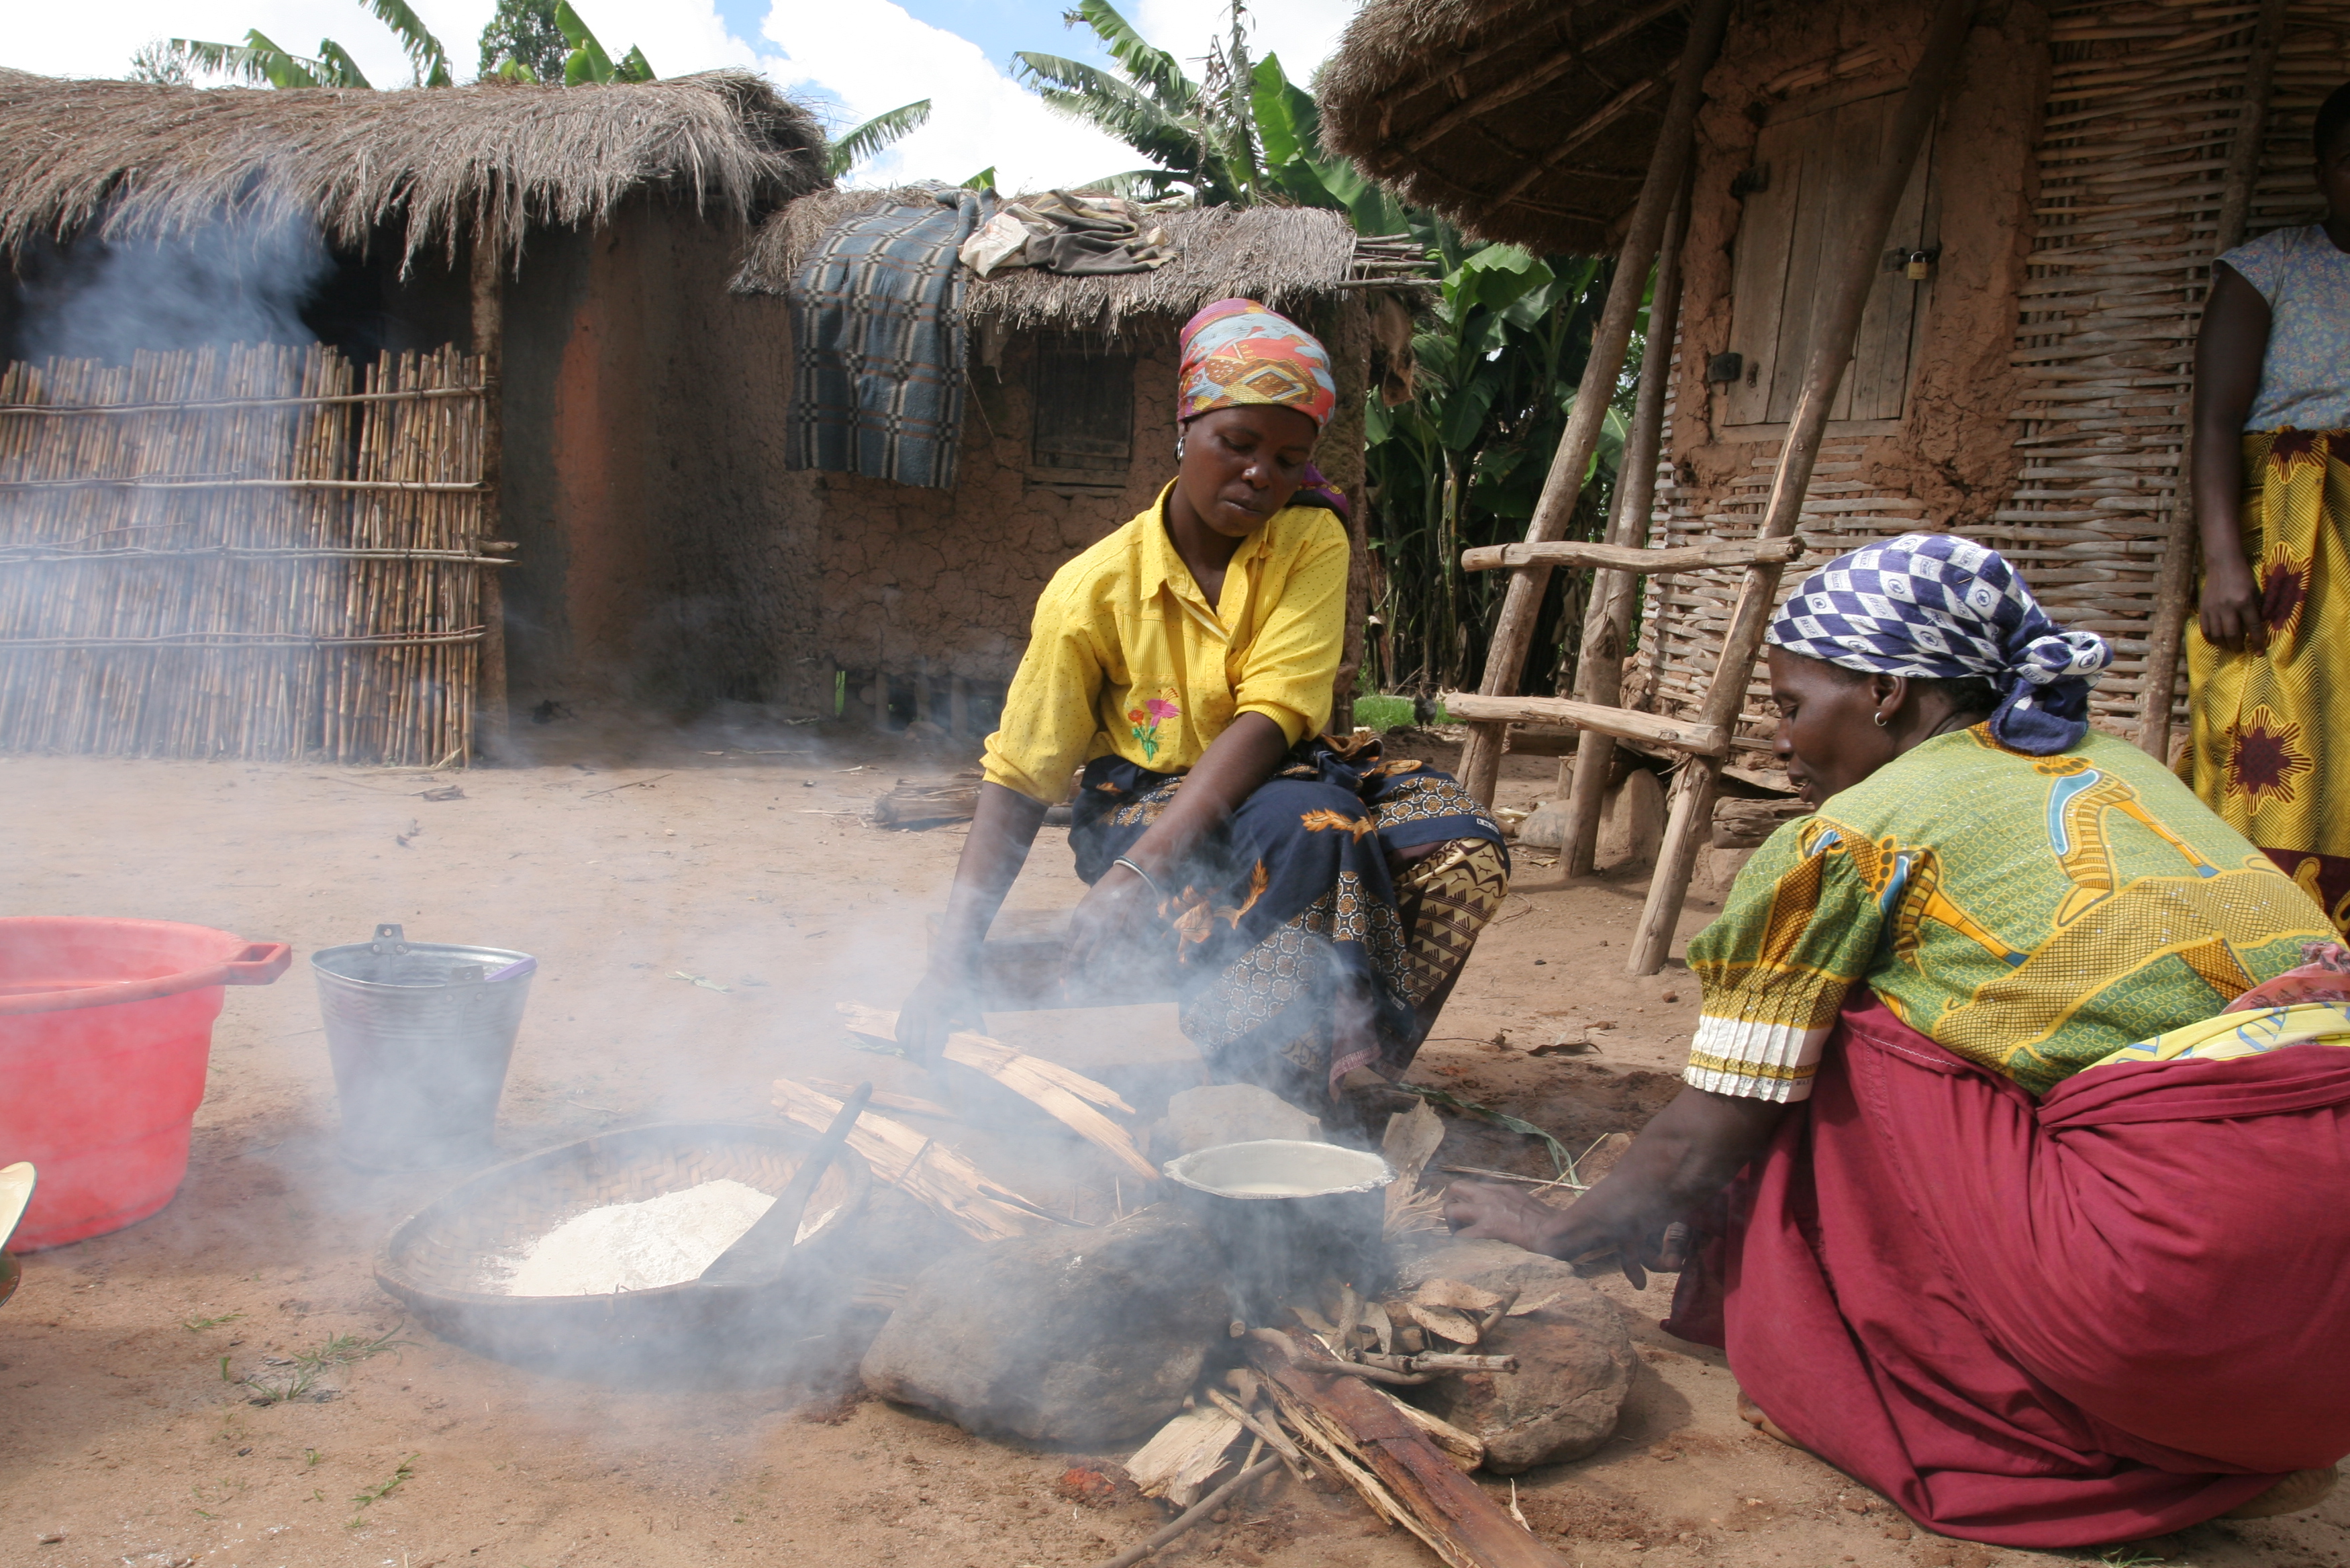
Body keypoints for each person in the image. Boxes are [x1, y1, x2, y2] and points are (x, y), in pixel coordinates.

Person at [1448, 534, 2350, 1548]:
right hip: (2325, 1337)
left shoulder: (1855, 834)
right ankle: (2210, 1422)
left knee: (1840, 1031)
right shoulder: (2126, 769)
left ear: (1883, 690)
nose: (1781, 744)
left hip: (2173, 1296)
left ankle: (2019, 1422)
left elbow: (1714, 1129)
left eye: (1792, 708)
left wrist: (1564, 1233)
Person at [897, 299, 1508, 1114]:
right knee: (1310, 827)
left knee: (1460, 843)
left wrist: (1149, 870)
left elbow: (1276, 713)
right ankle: (1274, 1093)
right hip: (1142, 811)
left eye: (1290, 459)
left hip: (1285, 771)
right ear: (1184, 429)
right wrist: (953, 956)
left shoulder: (1310, 538)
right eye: (1239, 443)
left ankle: (1349, 1063)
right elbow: (1020, 774)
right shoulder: (1094, 589)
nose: (1263, 474)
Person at [2186, 81, 2350, 932]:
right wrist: (2223, 560)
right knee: (2284, 714)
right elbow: (2214, 421)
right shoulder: (2270, 268)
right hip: (2293, 531)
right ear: (2323, 168)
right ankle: (2272, 927)